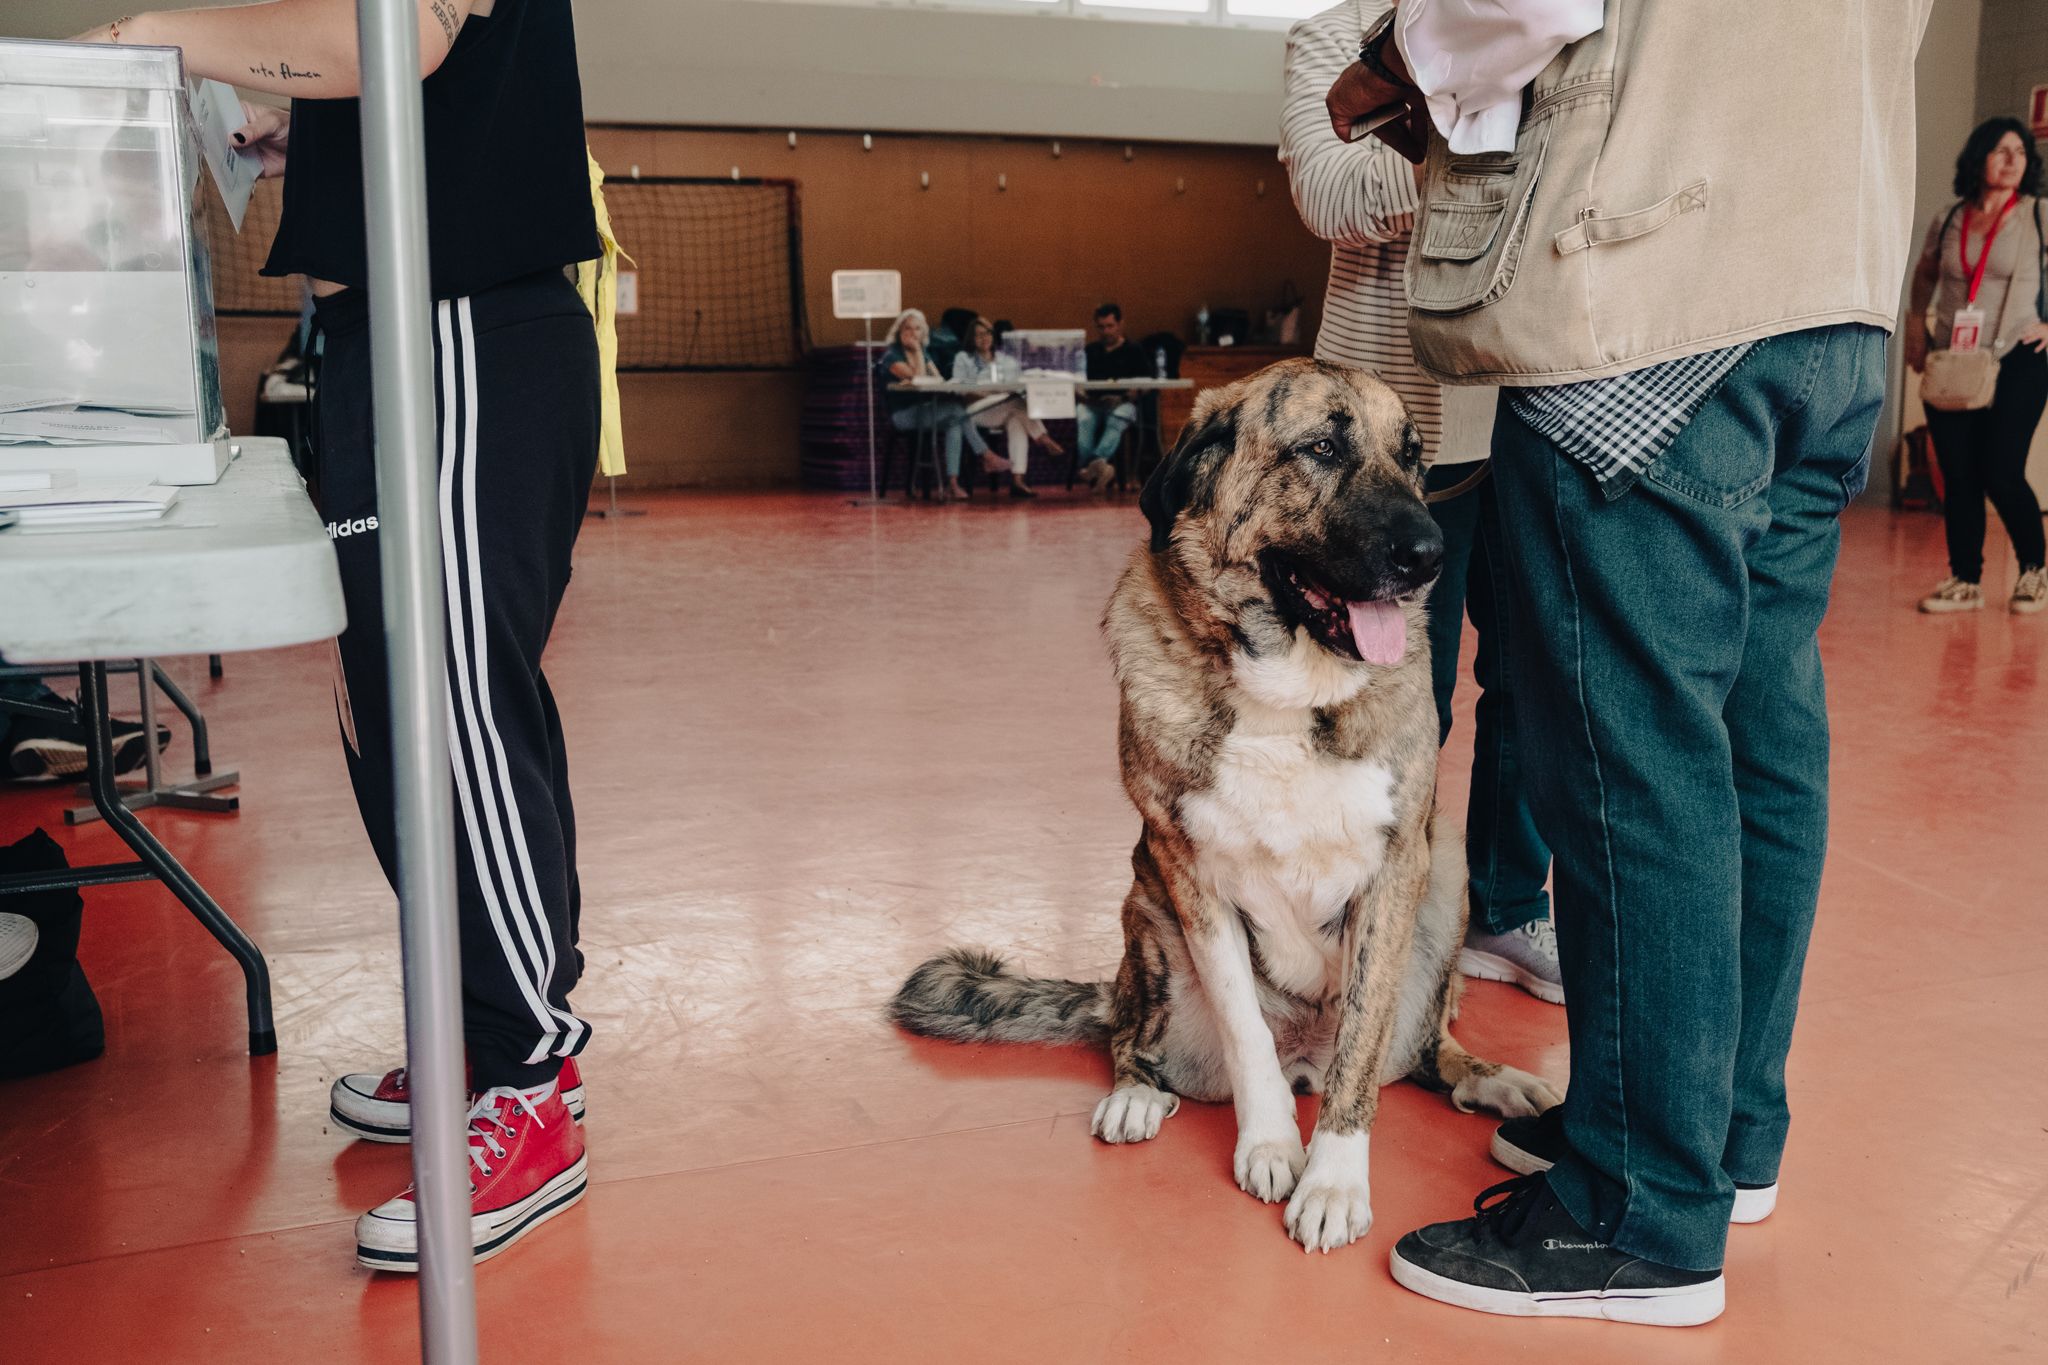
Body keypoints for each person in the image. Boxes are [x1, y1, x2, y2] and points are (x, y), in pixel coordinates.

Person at [1330, 0, 1931, 1326]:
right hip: (1832, 297)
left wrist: (1392, 58)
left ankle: (1638, 1210)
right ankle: (1719, 1136)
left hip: (1660, 293)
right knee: (1758, 736)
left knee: (1629, 755)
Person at [77, 0, 611, 1270]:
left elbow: (392, 39)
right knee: (388, 704)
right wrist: (294, 136)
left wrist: (160, 33)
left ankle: (531, 1080)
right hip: (390, 330)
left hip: (468, 329)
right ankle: (477, 1040)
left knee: (450, 701)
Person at [1279, 0, 1558, 1007]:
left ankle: (1506, 905)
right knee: (1393, 691)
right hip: (1380, 443)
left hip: (1517, 408)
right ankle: (1348, 906)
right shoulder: (1328, 36)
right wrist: (1477, 129)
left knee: (1530, 681)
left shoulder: (1509, 17)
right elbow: (1328, 191)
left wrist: (1436, 121)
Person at [1905, 117, 2048, 616]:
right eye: (2002, 150)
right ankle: (1965, 579)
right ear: (1978, 157)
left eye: (2021, 152)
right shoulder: (1948, 218)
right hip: (1953, 361)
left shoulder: (2038, 216)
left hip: (2018, 358)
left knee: (2001, 470)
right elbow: (1925, 278)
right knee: (1960, 474)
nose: (2013, 160)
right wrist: (1917, 329)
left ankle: (2034, 570)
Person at [881, 308, 1003, 502]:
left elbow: (937, 379)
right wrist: (917, 352)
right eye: (908, 328)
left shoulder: (926, 355)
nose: (913, 333)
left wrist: (929, 366)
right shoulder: (892, 356)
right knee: (957, 411)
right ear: (899, 331)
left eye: (917, 329)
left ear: (924, 332)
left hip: (925, 410)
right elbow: (918, 378)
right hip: (903, 415)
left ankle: (952, 484)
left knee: (955, 422)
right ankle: (987, 455)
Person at [952, 316, 1062, 501]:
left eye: (987, 333)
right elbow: (959, 389)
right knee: (1017, 406)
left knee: (1017, 419)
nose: (983, 338)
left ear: (993, 336)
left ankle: (1017, 481)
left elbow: (1019, 386)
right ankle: (1043, 438)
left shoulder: (1006, 360)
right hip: (976, 410)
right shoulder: (964, 359)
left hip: (1004, 408)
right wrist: (986, 393)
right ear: (971, 338)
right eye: (978, 335)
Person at [1077, 302, 1150, 491]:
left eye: (1110, 326)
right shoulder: (1090, 351)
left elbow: (1146, 384)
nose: (1106, 331)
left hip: (1123, 402)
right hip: (1093, 403)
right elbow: (1078, 382)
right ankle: (1101, 467)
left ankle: (1092, 465)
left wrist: (1124, 397)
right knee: (1083, 418)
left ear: (1120, 325)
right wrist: (1087, 398)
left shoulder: (1135, 350)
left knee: (1118, 419)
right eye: (1101, 327)